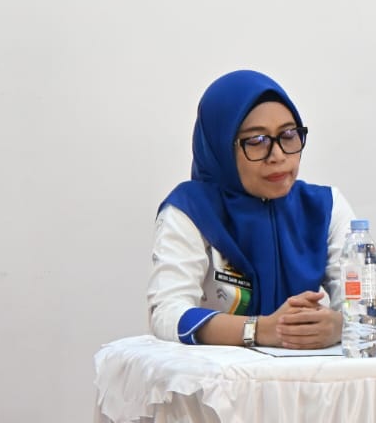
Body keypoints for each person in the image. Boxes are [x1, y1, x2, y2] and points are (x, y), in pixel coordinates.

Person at [148, 69, 356, 348]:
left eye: (289, 135)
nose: (278, 156)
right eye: (256, 141)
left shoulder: (324, 207)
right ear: (221, 147)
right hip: (219, 373)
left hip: (307, 371)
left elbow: (361, 304)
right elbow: (167, 313)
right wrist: (259, 330)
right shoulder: (191, 210)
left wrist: (339, 326)